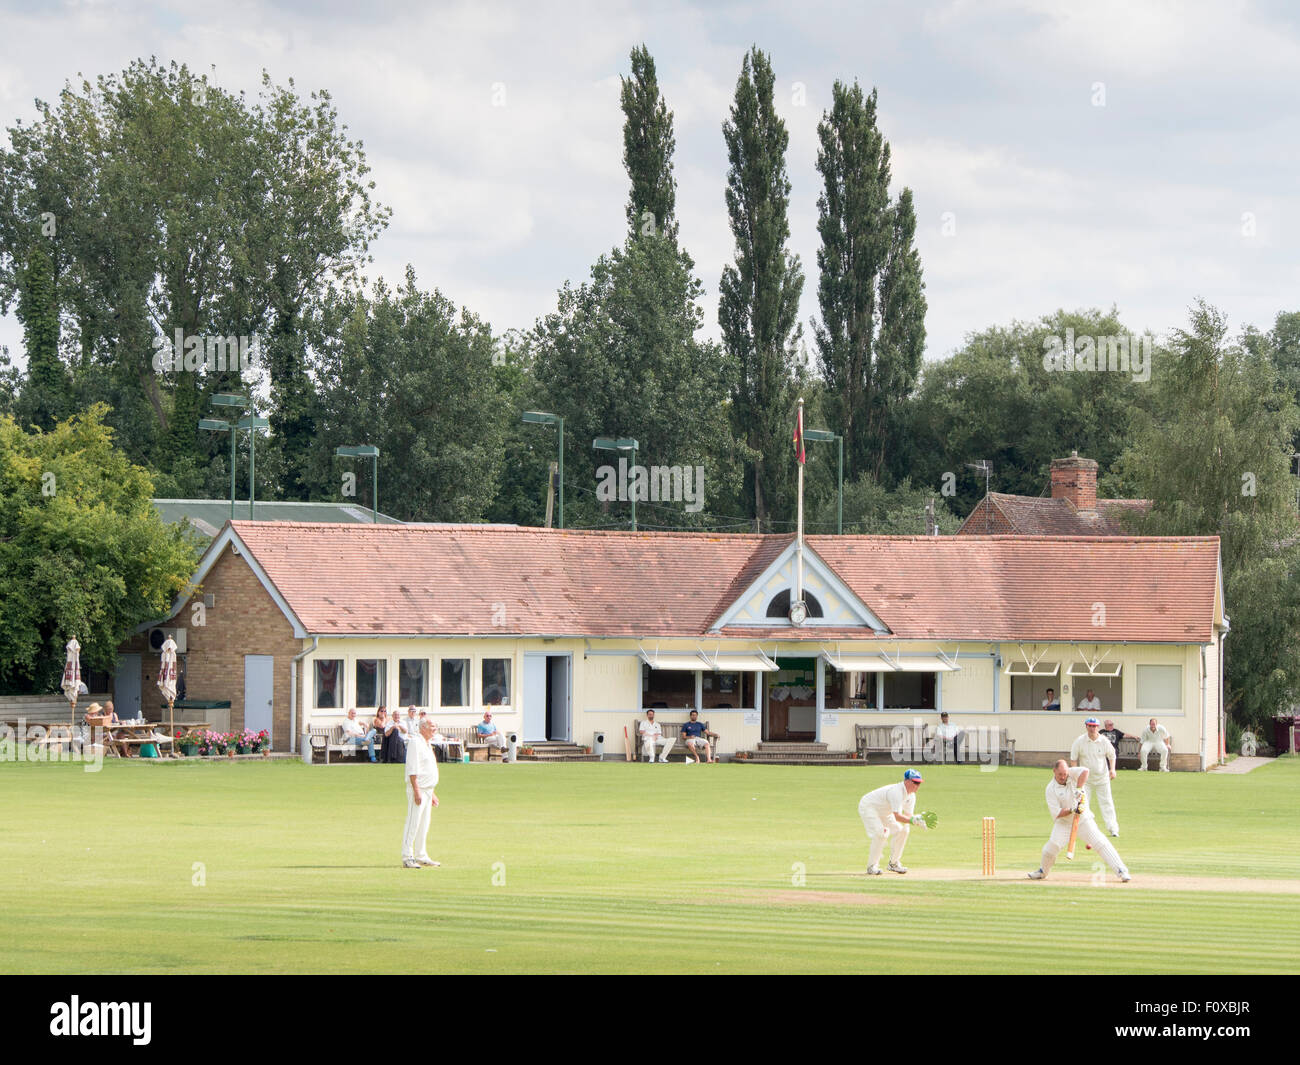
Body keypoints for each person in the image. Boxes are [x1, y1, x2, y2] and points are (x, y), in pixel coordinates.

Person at [1027, 760, 1130, 882]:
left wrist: (1079, 789)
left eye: (1065, 774)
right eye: (1060, 774)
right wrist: (1072, 809)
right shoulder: (1050, 789)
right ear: (1054, 771)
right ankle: (1042, 871)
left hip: (1083, 820)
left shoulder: (1072, 773)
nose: (1063, 777)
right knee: (1051, 847)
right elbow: (1058, 813)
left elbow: (1085, 771)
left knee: (1101, 843)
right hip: (1064, 823)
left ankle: (1121, 870)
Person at [858, 769, 928, 875]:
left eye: (919, 783)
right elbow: (897, 816)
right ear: (907, 781)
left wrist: (917, 819)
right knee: (882, 833)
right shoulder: (896, 792)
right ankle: (872, 866)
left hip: (885, 811)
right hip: (869, 807)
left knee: (903, 830)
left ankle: (894, 863)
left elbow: (908, 816)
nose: (917, 786)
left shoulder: (911, 796)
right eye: (915, 782)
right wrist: (913, 821)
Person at [1069, 716, 1120, 836]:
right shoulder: (1079, 741)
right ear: (1086, 726)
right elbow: (1073, 759)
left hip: (1102, 778)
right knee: (1082, 804)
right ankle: (1084, 828)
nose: (1092, 728)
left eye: (1094, 726)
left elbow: (1112, 756)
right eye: (1090, 726)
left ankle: (1113, 829)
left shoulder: (1104, 741)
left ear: (1098, 727)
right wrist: (1076, 776)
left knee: (1107, 803)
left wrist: (1112, 770)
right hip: (1085, 780)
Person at [402, 718, 441, 869]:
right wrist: (417, 791)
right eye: (432, 726)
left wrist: (432, 793)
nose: (435, 728)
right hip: (417, 790)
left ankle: (421, 854)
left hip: (428, 790)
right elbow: (412, 768)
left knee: (424, 824)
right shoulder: (415, 742)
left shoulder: (427, 743)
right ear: (423, 727)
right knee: (413, 823)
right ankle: (407, 856)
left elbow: (427, 768)